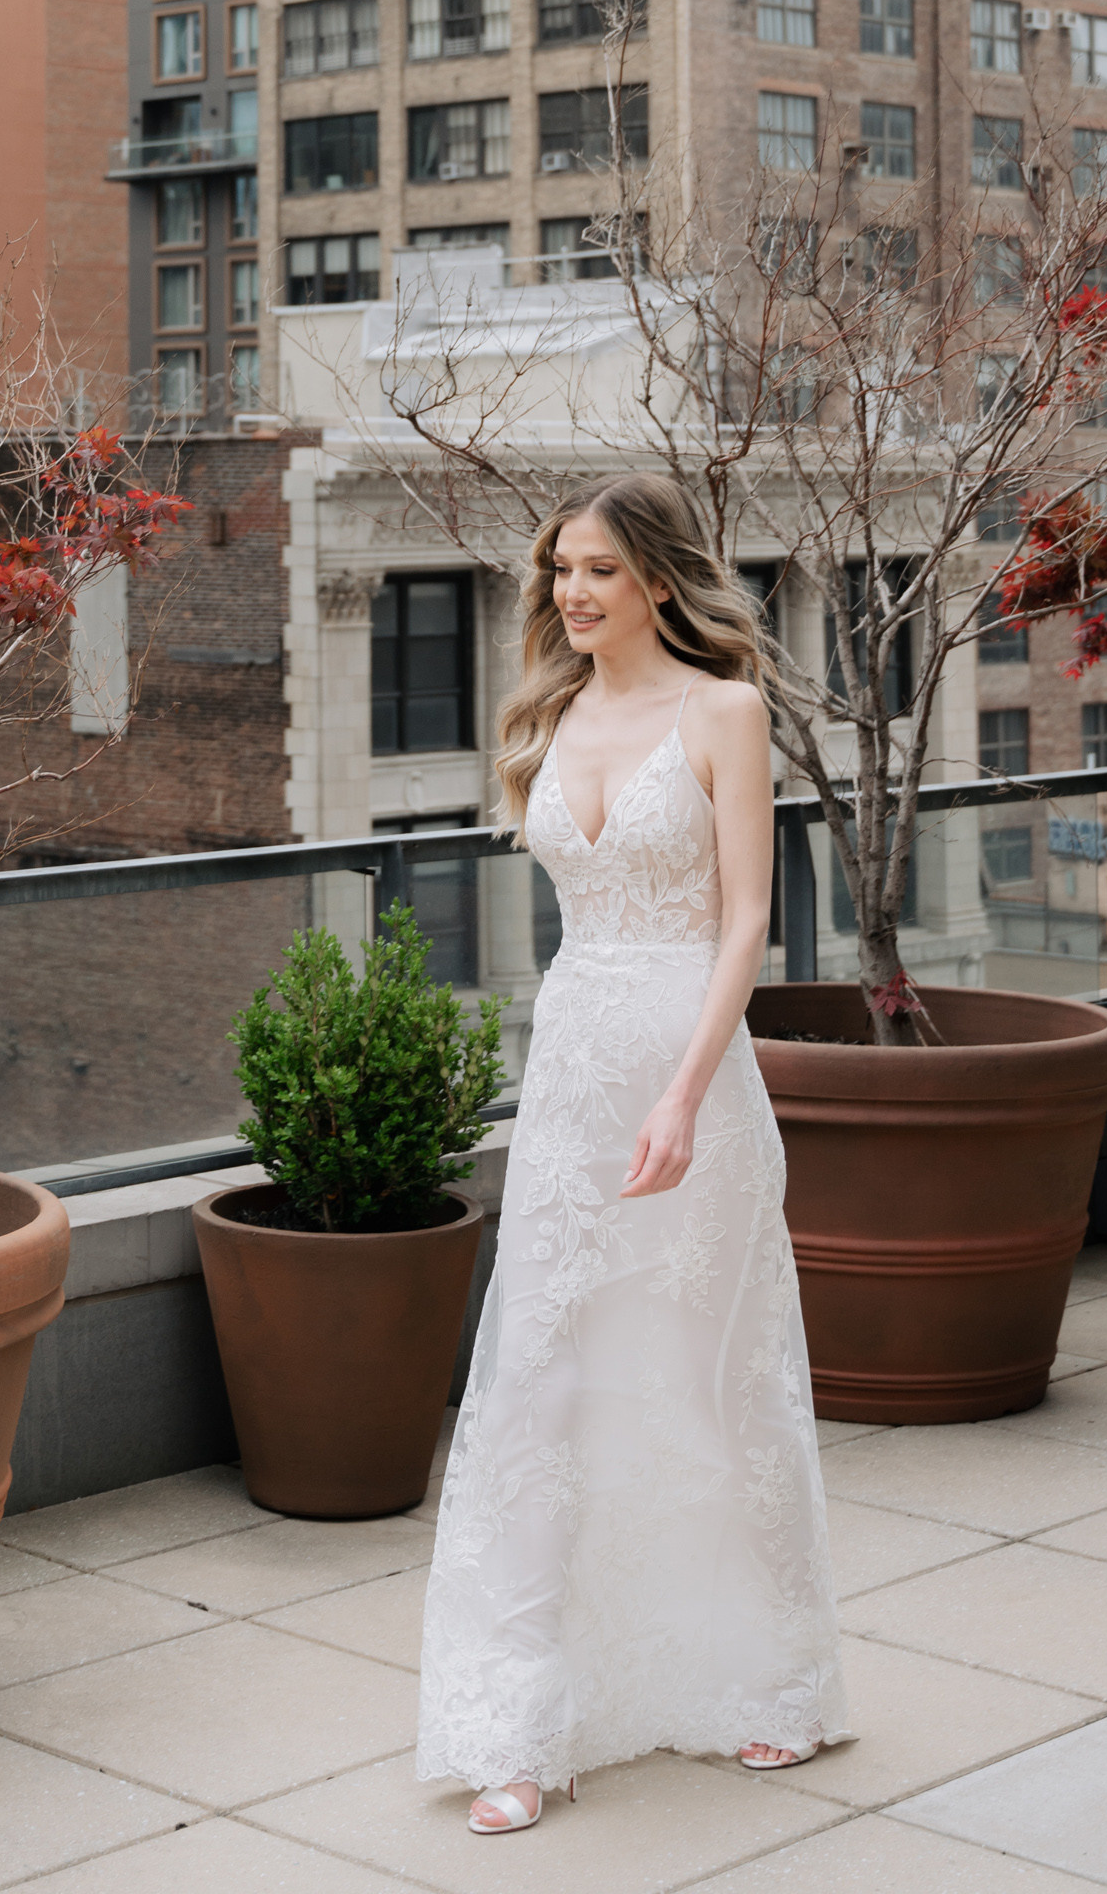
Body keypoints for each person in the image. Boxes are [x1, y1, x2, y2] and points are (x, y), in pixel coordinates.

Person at [416, 472, 846, 1834]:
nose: (574, 593)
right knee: (541, 1388)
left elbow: (746, 922)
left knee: (715, 1381)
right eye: (561, 571)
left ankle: (769, 1679)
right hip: (571, 1075)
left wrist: (685, 1094)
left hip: (691, 1074)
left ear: (660, 578)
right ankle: (521, 1726)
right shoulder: (546, 718)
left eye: (600, 569)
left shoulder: (723, 713)